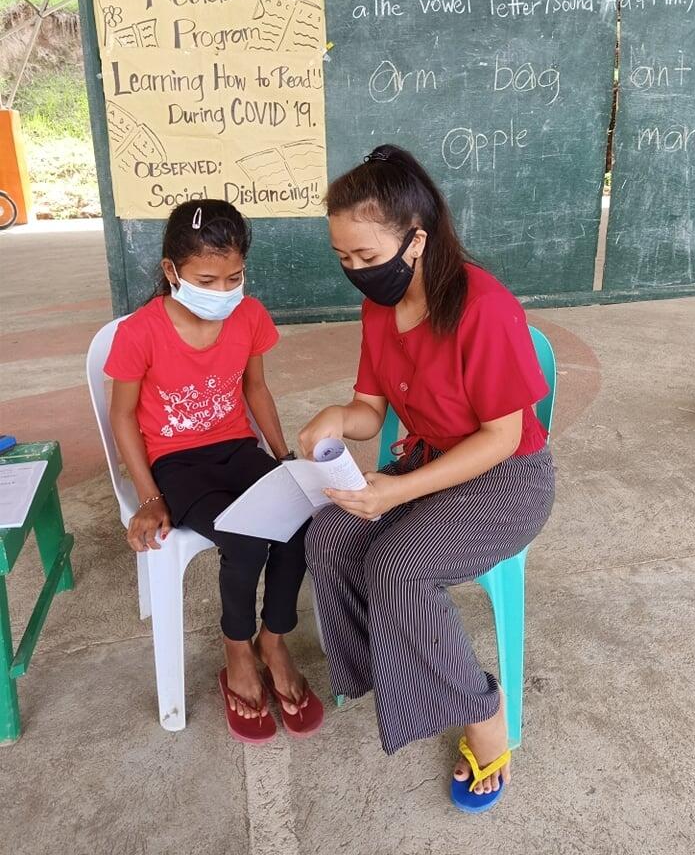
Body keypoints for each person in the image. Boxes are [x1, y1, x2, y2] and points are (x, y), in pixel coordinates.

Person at [299, 146, 555, 812]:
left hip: (506, 479)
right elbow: (370, 412)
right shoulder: (379, 310)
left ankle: (482, 711)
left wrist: (397, 489)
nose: (355, 271)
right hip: (430, 460)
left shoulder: (483, 306)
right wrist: (336, 417)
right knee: (327, 536)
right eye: (342, 257)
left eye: (364, 255)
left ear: (417, 237)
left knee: (396, 563)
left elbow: (502, 438)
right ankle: (398, 668)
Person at [105, 199, 323, 742]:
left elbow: (256, 389)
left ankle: (274, 640)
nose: (223, 292)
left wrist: (282, 459)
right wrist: (149, 496)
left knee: (298, 522)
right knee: (247, 541)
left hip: (236, 448)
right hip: (176, 464)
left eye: (235, 277)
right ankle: (236, 649)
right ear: (172, 272)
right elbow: (123, 415)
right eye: (207, 278)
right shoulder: (141, 332)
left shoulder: (249, 317)